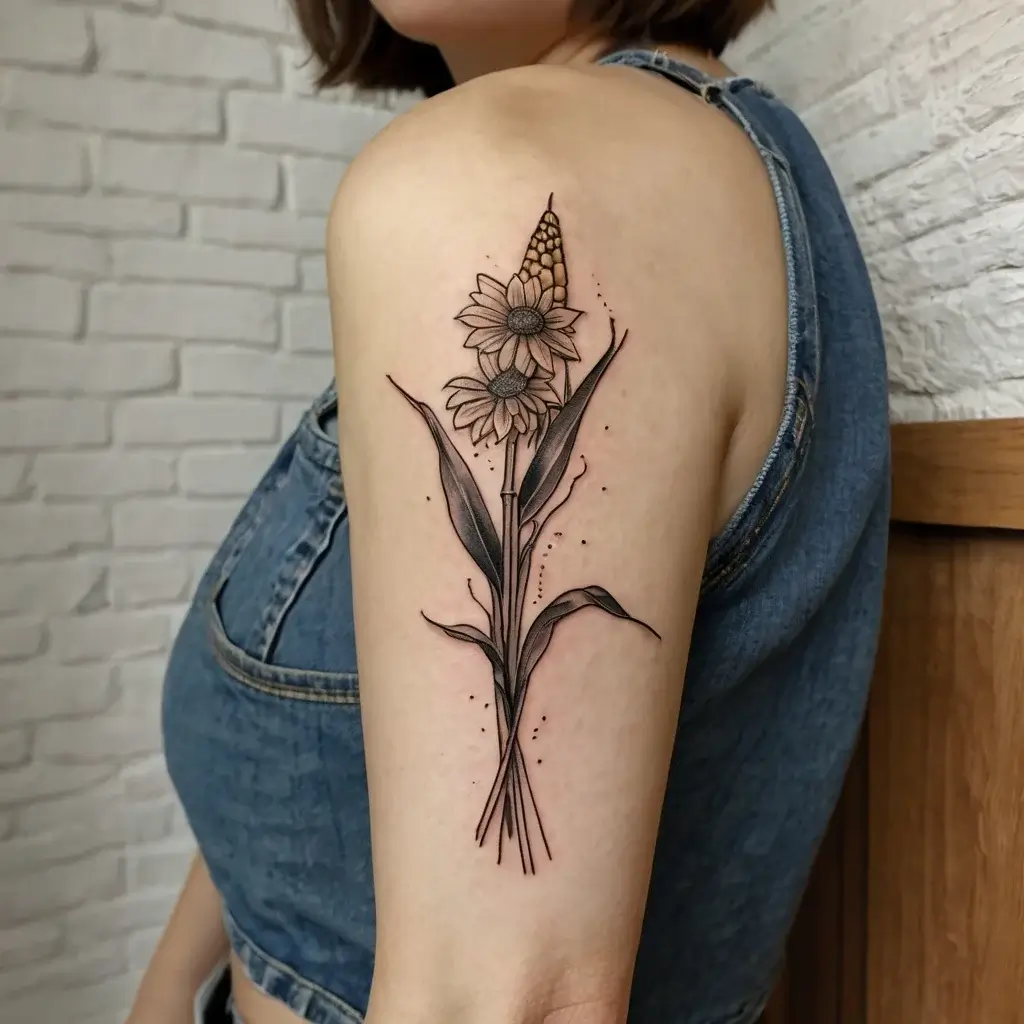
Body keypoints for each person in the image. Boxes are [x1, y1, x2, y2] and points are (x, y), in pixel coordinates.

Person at [133, 2, 891, 1023]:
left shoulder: (512, 177)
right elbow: (316, 717)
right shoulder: (717, 164)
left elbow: (505, 1000)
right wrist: (174, 984)